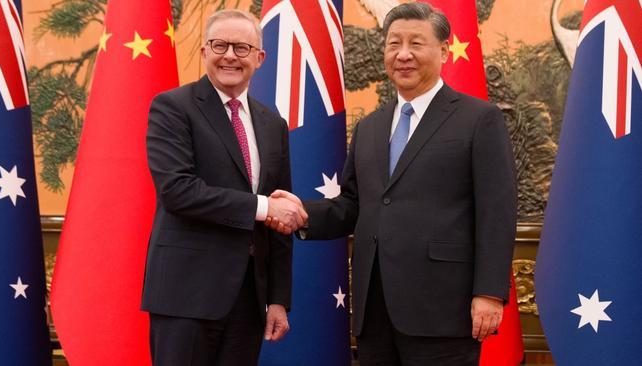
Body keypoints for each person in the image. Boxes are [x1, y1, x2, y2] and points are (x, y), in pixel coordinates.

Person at [267, 2, 517, 365]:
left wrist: (490, 293)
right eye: (393, 43)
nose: (403, 54)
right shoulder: (370, 126)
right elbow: (353, 204)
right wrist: (302, 213)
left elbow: (497, 211)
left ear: (444, 51)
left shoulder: (479, 119)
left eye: (416, 43)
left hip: (444, 311)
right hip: (374, 311)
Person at [141, 9, 307, 366]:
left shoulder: (272, 124)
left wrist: (277, 298)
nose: (229, 55)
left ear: (260, 58)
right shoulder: (172, 107)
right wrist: (263, 207)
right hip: (185, 296)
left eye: (242, 48)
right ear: (204, 52)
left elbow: (278, 219)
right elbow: (178, 191)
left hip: (248, 300)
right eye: (219, 45)